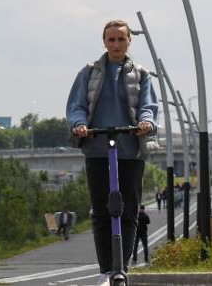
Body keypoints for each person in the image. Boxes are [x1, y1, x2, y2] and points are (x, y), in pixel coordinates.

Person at [66, 19, 158, 285]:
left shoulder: (141, 74)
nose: (116, 44)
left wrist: (146, 123)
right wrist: (79, 124)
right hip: (97, 147)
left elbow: (147, 106)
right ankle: (106, 270)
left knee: (128, 211)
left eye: (121, 39)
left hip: (130, 149)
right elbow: (76, 105)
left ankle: (122, 268)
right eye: (111, 40)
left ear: (130, 41)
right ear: (104, 42)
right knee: (101, 210)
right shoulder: (90, 72)